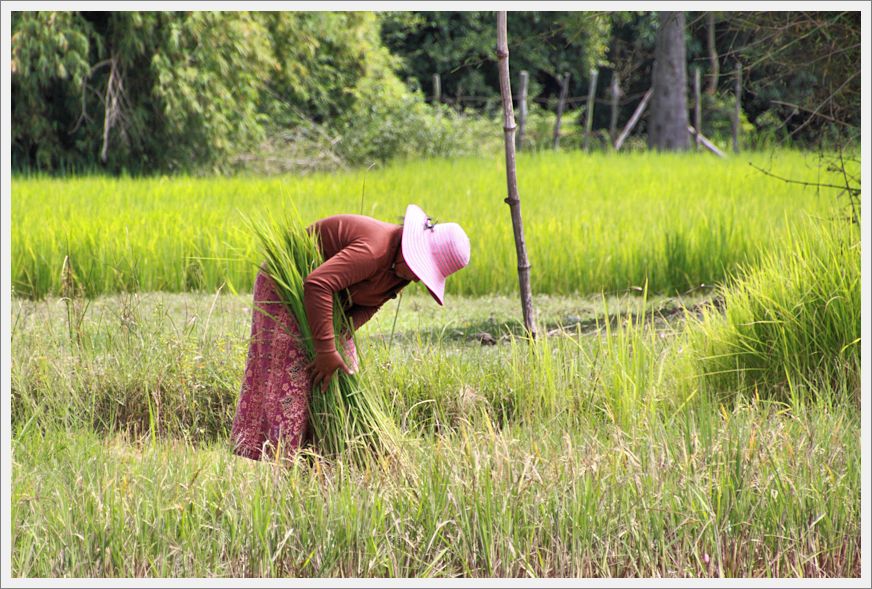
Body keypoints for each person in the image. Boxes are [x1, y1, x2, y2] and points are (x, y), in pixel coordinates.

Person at [231, 204, 470, 461]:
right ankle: (280, 459)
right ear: (411, 248)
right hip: (286, 290)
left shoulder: (399, 272)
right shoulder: (374, 251)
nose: (417, 279)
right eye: (419, 269)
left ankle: (322, 459)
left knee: (341, 370)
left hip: (326, 305)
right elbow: (317, 284)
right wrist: (325, 349)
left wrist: (339, 336)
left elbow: (370, 306)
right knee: (295, 371)